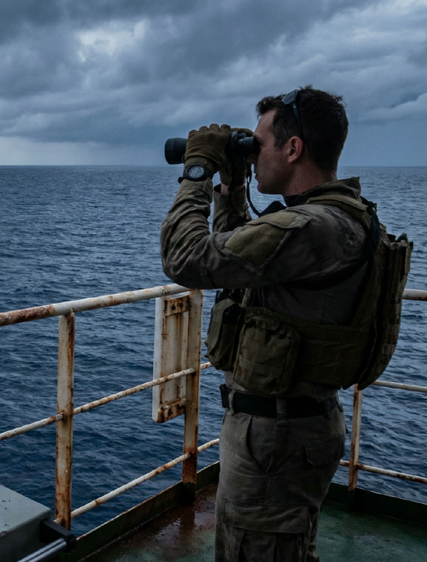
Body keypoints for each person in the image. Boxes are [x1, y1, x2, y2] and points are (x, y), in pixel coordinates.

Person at [160, 88, 399, 561]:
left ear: (293, 150)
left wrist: (197, 172)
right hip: (287, 430)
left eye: (260, 145)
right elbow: (238, 261)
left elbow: (185, 259)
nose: (256, 154)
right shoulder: (332, 217)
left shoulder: (314, 227)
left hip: (277, 440)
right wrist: (233, 182)